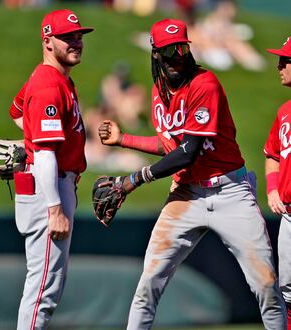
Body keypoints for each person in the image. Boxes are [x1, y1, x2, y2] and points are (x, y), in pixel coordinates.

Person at [98, 18, 286, 329]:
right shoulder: (159, 91)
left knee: (265, 285)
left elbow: (189, 150)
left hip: (230, 192)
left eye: (181, 49)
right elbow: (171, 144)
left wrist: (134, 179)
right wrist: (123, 140)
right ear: (155, 53)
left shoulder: (204, 84)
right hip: (186, 193)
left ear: (188, 49)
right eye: (168, 50)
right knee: (148, 285)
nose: (176, 57)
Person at [8, 9, 93, 329]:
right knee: (43, 287)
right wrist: (54, 207)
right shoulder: (48, 84)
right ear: (47, 41)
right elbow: (44, 152)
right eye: (67, 37)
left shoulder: (54, 79)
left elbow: (17, 110)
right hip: (49, 187)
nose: (77, 42)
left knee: (45, 285)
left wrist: (29, 143)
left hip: (51, 182)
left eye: (79, 36)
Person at [264, 36, 291, 330]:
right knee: (289, 294)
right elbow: (272, 154)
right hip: (289, 217)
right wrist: (272, 188)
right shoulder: (284, 112)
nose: (279, 66)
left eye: (285, 60)